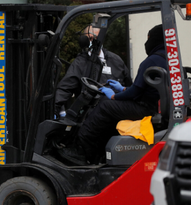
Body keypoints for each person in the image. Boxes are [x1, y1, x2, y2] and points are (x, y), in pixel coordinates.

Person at [61, 25, 166, 166]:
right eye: (89, 38)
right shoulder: (167, 59)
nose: (146, 43)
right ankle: (98, 154)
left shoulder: (150, 61)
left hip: (144, 107)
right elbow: (141, 88)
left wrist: (114, 96)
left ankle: (80, 150)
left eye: (149, 39)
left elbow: (135, 91)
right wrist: (122, 88)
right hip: (150, 105)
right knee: (109, 112)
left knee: (106, 106)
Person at [53, 24, 131, 118]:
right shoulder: (80, 63)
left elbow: (130, 88)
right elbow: (65, 89)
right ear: (84, 40)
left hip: (115, 115)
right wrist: (54, 110)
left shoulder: (116, 61)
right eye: (90, 38)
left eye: (97, 38)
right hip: (90, 117)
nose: (94, 42)